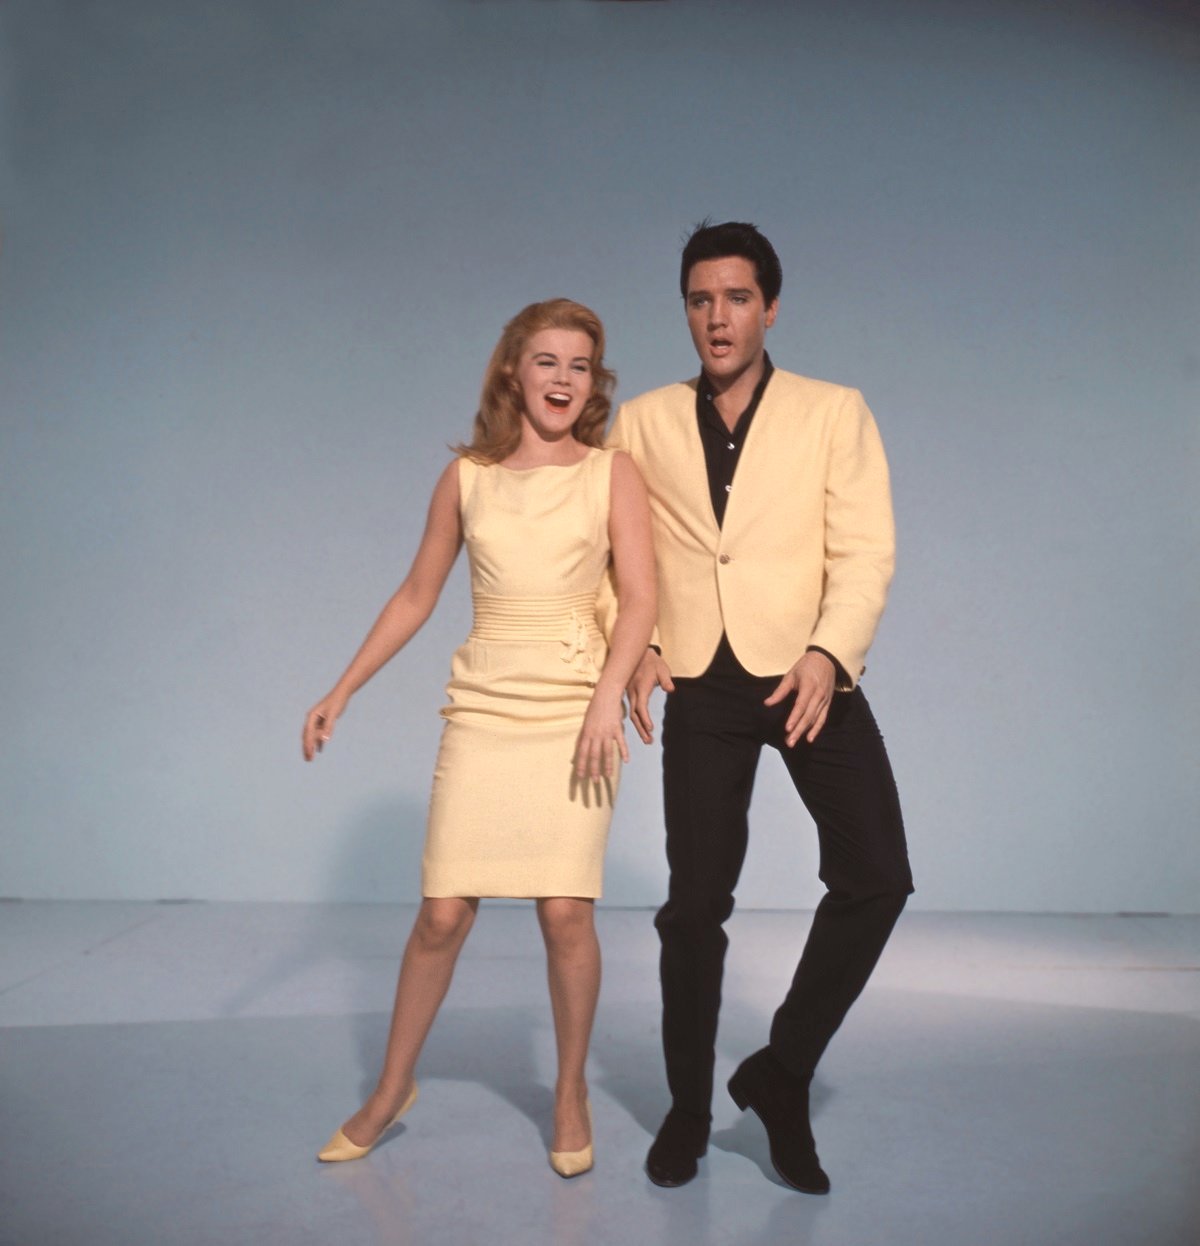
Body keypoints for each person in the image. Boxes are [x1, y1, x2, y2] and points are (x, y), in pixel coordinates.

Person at [303, 298, 655, 1178]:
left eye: (580, 365)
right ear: (512, 371)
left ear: (594, 380)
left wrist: (609, 695)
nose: (564, 380)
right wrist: (341, 687)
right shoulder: (467, 478)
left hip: (577, 711)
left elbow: (643, 598)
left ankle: (568, 1093)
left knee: (565, 912)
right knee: (442, 914)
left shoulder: (613, 474)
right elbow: (417, 595)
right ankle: (390, 1090)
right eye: (547, 362)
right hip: (486, 710)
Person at [607, 222, 913, 1194]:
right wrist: (639, 642)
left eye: (737, 297)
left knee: (877, 874)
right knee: (694, 907)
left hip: (806, 671)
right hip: (698, 674)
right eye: (700, 299)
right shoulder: (645, 420)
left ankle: (780, 1074)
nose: (717, 317)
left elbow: (865, 549)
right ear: (686, 310)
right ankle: (689, 1114)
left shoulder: (834, 411)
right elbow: (613, 548)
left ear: (770, 306)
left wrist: (831, 651)